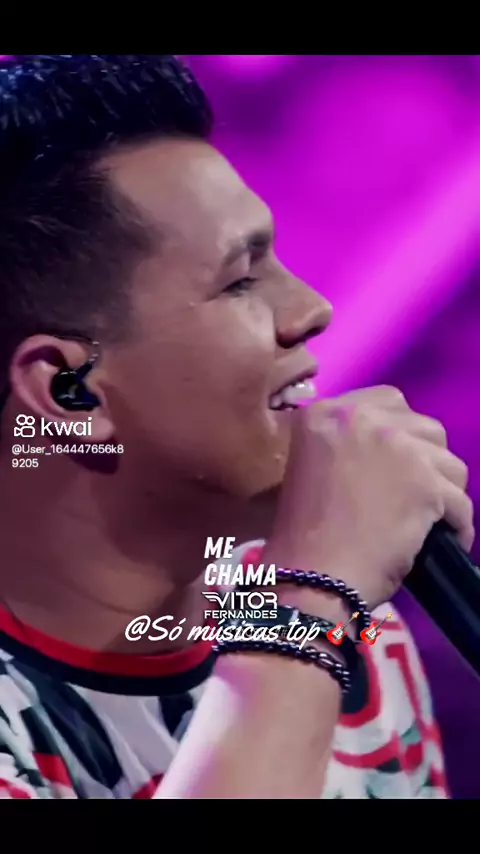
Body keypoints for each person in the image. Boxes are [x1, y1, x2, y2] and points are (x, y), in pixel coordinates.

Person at [0, 55, 473, 800]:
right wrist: (313, 599)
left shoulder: (348, 636)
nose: (312, 308)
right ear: (72, 389)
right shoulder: (313, 610)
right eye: (241, 280)